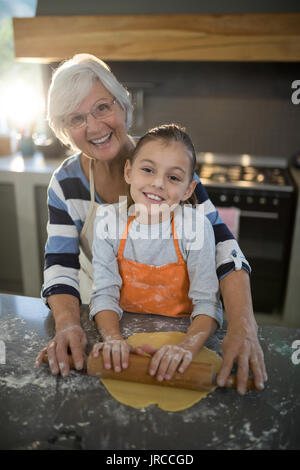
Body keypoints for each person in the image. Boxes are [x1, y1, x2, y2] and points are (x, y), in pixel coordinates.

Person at [35, 53, 267, 395]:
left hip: (179, 324)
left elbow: (223, 246)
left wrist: (243, 325)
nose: (95, 127)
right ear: (65, 130)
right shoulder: (66, 181)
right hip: (101, 315)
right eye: (76, 118)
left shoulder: (163, 162)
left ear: (123, 105)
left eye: (102, 107)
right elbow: (60, 266)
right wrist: (69, 325)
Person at [90, 123, 223, 381]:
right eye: (148, 170)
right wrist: (114, 340)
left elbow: (208, 304)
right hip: (125, 336)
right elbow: (104, 294)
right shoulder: (108, 222)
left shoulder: (195, 227)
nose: (158, 183)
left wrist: (186, 346)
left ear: (187, 190)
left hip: (184, 338)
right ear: (128, 171)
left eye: (173, 177)